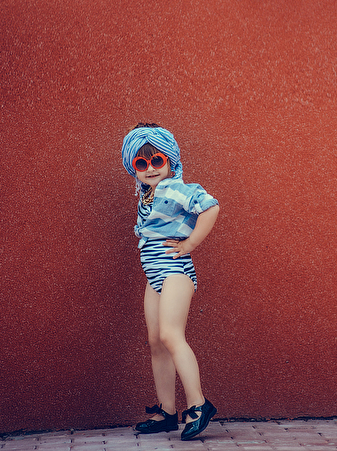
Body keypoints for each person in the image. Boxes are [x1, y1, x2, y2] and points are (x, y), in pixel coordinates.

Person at [121, 123, 220, 441]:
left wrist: (189, 244)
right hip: (155, 277)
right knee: (156, 341)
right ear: (133, 168)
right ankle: (167, 412)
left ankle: (199, 405)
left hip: (176, 272)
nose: (150, 168)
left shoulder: (177, 188)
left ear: (170, 161)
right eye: (141, 163)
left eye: (157, 160)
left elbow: (210, 206)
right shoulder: (147, 194)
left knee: (170, 335)